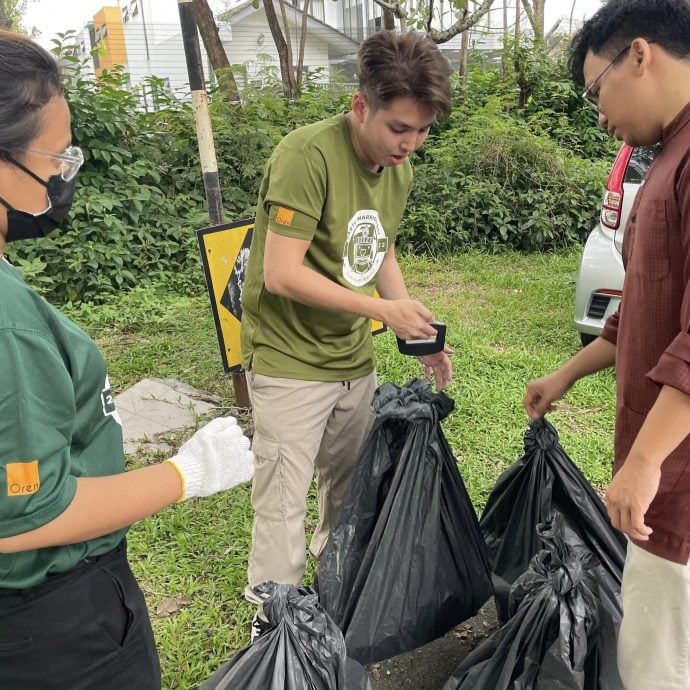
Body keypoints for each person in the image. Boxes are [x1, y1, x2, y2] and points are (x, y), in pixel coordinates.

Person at [0, 30, 255, 689]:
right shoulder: (5, 321)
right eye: (55, 155)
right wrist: (187, 473)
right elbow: (28, 513)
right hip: (54, 627)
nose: (64, 173)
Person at [240, 30, 453, 637]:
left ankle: (331, 595)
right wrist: (382, 314)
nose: (409, 145)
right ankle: (274, 622)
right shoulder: (306, 156)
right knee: (283, 498)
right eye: (398, 129)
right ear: (361, 106)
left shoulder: (396, 170)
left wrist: (414, 323)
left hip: (351, 360)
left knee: (349, 490)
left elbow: (377, 246)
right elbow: (281, 273)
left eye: (421, 132)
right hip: (289, 361)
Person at [523, 2, 690, 687]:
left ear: (640, 55)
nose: (598, 114)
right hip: (662, 473)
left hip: (676, 489)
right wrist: (567, 373)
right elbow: (642, 311)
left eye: (597, 91)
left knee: (656, 665)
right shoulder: (668, 157)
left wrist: (647, 461)